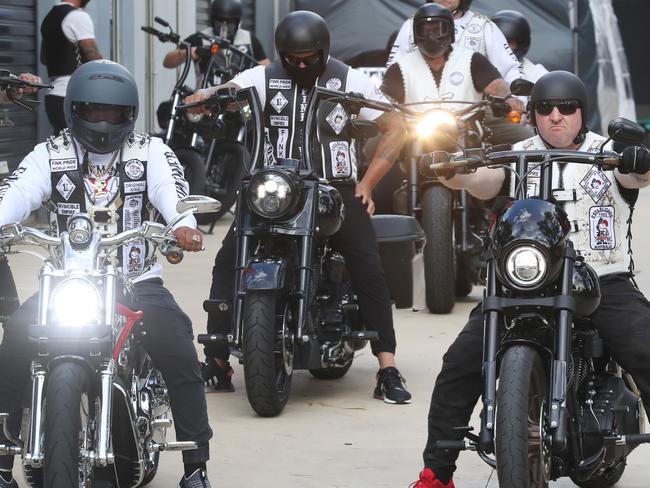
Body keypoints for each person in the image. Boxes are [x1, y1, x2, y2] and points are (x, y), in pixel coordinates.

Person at [411, 70, 650, 487]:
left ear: (582, 112)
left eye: (567, 108)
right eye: (545, 108)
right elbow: (479, 182)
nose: (556, 116)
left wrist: (640, 158)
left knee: (645, 348)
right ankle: (436, 474)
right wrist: (447, 163)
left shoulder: (608, 154)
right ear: (534, 114)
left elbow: (637, 177)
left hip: (602, 278)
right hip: (527, 281)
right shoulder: (516, 153)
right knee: (459, 365)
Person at [0, 60, 213, 488]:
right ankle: (3, 463)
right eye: (93, 111)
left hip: (137, 283)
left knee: (176, 344)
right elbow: (18, 192)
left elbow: (170, 192)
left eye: (113, 114)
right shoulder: (51, 152)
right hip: (66, 283)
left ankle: (196, 465)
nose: (102, 121)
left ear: (129, 114)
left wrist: (181, 224)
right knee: (17, 341)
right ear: (74, 109)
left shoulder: (150, 151)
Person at [185, 10, 413, 404]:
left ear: (324, 51)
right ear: (281, 53)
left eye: (309, 57)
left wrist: (367, 183)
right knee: (227, 260)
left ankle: (387, 367)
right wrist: (206, 99)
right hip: (272, 190)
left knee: (366, 264)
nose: (301, 64)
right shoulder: (261, 77)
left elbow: (396, 127)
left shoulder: (350, 79)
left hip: (333, 189)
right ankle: (217, 359)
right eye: (293, 58)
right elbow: (219, 93)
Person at [387, 0, 531, 145]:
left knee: (527, 142)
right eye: (427, 30)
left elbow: (509, 69)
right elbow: (394, 70)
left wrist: (515, 101)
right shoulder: (411, 24)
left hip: (476, 109)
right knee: (377, 144)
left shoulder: (483, 26)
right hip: (417, 112)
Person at [380, 4, 523, 114]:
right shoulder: (401, 63)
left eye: (438, 29)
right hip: (415, 121)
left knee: (521, 137)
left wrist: (511, 98)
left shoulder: (481, 31)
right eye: (425, 30)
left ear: (450, 34)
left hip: (473, 115)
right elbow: (386, 96)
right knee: (376, 142)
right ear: (416, 34)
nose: (431, 36)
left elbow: (503, 76)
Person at [163, 0, 270, 88]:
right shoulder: (201, 38)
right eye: (220, 20)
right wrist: (189, 52)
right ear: (213, 19)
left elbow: (266, 69)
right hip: (207, 102)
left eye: (230, 21)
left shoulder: (248, 39)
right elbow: (168, 62)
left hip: (241, 101)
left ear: (237, 22)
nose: (225, 26)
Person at [40, 0, 103, 134]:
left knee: (65, 151)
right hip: (74, 98)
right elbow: (93, 56)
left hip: (54, 97)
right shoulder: (78, 16)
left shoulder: (48, 18)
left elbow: (44, 59)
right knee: (84, 151)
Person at [491, 9, 548, 83]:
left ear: (521, 44)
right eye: (498, 40)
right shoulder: (476, 64)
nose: (502, 46)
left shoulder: (536, 76)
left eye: (508, 42)